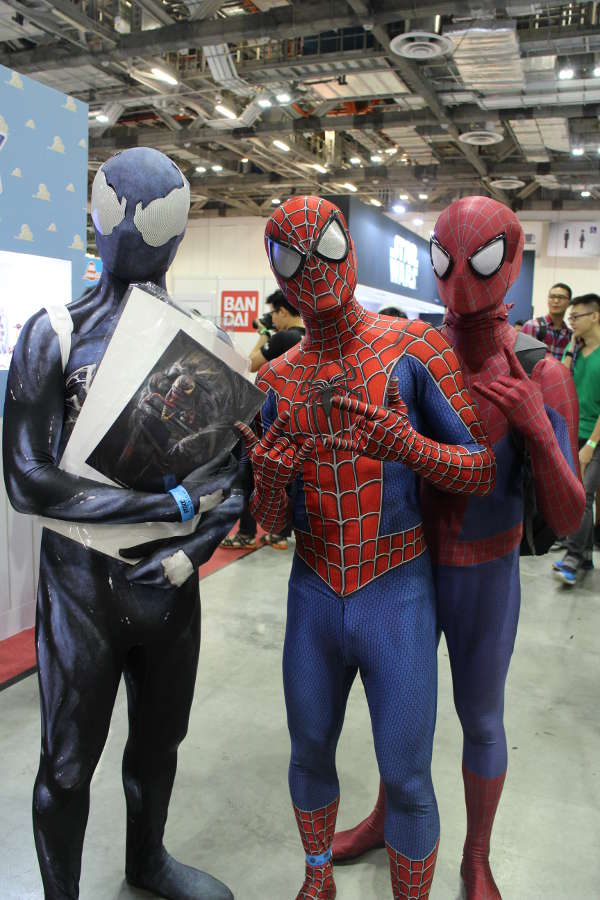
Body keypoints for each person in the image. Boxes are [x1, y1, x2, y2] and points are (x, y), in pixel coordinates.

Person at [237, 195, 497, 900]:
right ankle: (315, 879)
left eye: (324, 246)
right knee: (308, 751)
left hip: (396, 587)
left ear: (349, 247)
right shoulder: (277, 380)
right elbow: (270, 524)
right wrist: (270, 482)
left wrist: (408, 446)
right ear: (277, 273)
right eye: (292, 258)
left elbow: (481, 468)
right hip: (314, 588)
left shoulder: (413, 347)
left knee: (407, 776)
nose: (313, 270)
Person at [2, 148, 242, 900]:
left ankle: (147, 860)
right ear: (98, 216)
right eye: (121, 210)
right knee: (67, 763)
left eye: (154, 216)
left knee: (161, 742)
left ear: (178, 231)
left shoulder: (201, 342)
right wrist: (162, 508)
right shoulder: (55, 332)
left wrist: (191, 546)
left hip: (169, 585)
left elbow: (229, 480)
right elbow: (26, 481)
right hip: (82, 588)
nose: (134, 229)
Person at [331, 197, 584, 900]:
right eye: (447, 262)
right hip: (405, 564)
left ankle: (477, 856)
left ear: (511, 258)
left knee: (481, 717)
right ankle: (387, 815)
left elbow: (570, 516)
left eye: (481, 260)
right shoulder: (411, 351)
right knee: (399, 710)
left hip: (486, 570)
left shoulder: (540, 371)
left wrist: (536, 426)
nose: (461, 282)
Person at [223, 290, 305, 550]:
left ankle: (246, 533)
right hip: (298, 420)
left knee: (248, 475)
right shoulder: (310, 338)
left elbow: (251, 363)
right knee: (290, 478)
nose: (272, 319)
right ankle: (280, 534)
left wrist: (264, 332)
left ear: (283, 311)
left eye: (273, 313)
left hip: (270, 420)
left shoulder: (284, 337)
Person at [553, 293, 600, 584]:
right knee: (582, 494)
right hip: (575, 433)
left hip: (595, 438)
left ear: (595, 316)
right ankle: (585, 557)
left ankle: (572, 557)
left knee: (583, 497)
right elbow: (561, 378)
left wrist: (591, 445)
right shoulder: (577, 351)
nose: (572, 322)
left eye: (576, 316)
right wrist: (571, 345)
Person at [520, 282, 572, 360]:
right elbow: (521, 361)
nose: (556, 301)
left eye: (561, 297)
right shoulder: (532, 326)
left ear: (569, 302)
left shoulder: (570, 335)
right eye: (552, 297)